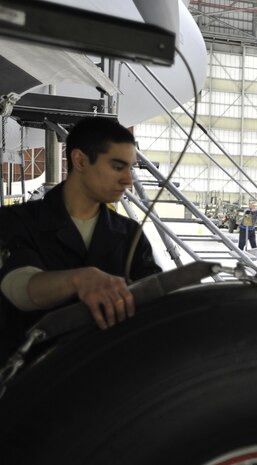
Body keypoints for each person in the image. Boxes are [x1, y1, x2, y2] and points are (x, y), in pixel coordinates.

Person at [0, 117, 161, 361]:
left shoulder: (129, 234)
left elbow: (154, 298)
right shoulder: (16, 221)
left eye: (131, 169)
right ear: (80, 160)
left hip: (107, 381)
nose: (128, 180)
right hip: (29, 381)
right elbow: (19, 286)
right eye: (118, 167)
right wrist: (79, 280)